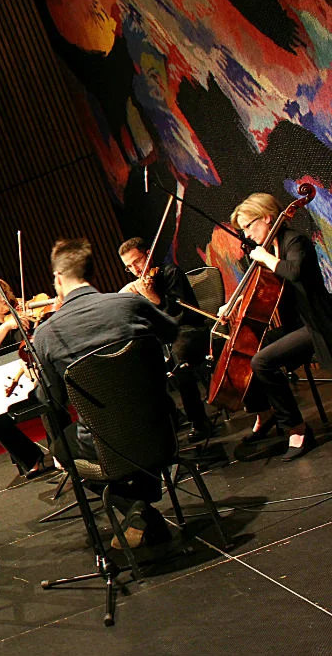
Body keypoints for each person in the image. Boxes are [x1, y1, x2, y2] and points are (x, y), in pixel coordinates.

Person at [33, 238, 179, 548]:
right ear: (91, 272)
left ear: (58, 278)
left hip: (104, 443)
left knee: (62, 449)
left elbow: (51, 400)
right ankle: (143, 505)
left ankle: (137, 509)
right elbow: (172, 332)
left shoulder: (45, 334)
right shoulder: (130, 304)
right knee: (132, 415)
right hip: (160, 427)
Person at [227, 192, 332, 460]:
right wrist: (236, 301)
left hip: (317, 322)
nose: (246, 234)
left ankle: (297, 428)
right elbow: (262, 288)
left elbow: (294, 271)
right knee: (246, 350)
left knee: (262, 362)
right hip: (296, 324)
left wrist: (265, 257)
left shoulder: (294, 241)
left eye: (248, 226)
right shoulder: (270, 247)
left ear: (266, 217)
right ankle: (265, 412)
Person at [118, 237, 212, 441]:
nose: (135, 269)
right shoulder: (140, 284)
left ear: (149, 254)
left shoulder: (171, 272)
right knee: (139, 363)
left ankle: (199, 422)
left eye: (137, 261)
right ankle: (169, 419)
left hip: (189, 329)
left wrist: (153, 297)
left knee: (179, 359)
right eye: (129, 267)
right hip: (162, 336)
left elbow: (179, 315)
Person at [0, 276, 48, 477]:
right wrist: (6, 326)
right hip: (6, 381)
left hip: (33, 373)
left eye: (5, 293)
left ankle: (61, 452)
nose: (4, 299)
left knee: (49, 394)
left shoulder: (21, 310)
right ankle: (31, 457)